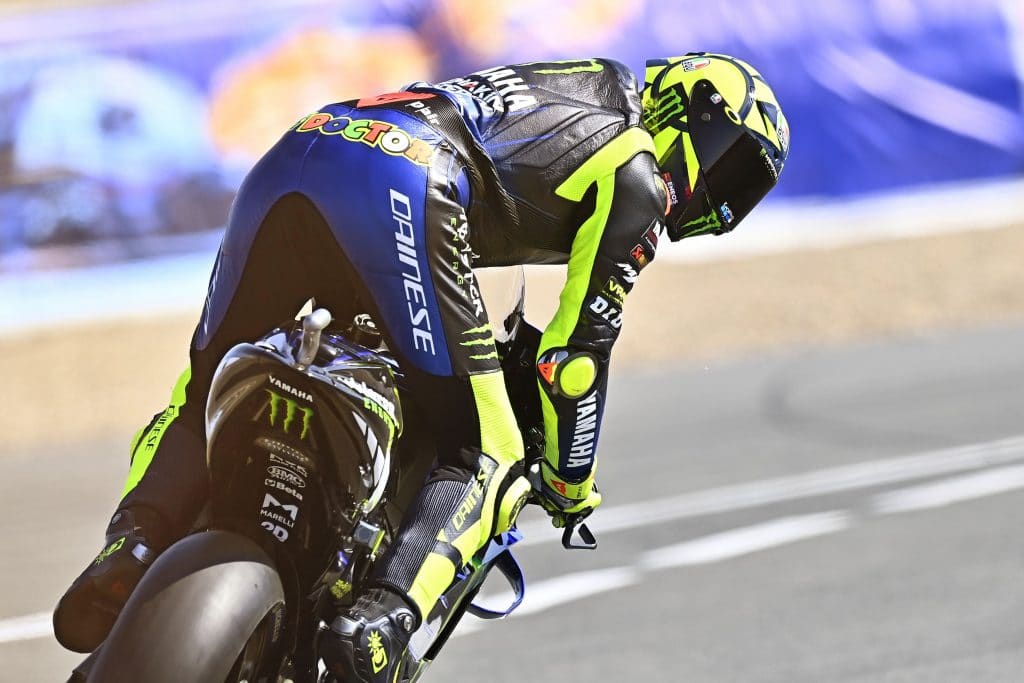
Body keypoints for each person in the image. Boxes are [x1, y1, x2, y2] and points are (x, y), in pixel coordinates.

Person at [53, 53, 789, 681]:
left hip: (302, 150)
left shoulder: (578, 85)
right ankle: (381, 620)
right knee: (489, 451)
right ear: (686, 108)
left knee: (203, 385)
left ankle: (133, 544)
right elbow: (573, 361)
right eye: (728, 163)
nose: (720, 199)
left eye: (743, 191)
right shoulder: (634, 170)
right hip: (405, 186)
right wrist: (571, 481)